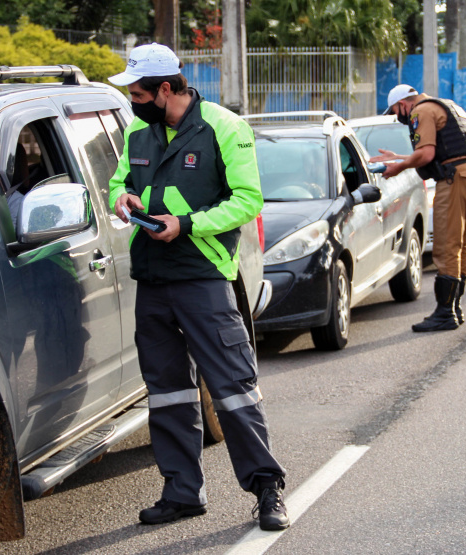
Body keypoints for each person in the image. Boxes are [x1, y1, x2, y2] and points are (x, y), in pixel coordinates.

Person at [107, 43, 289, 531]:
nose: (133, 99)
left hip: (203, 279)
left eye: (139, 91)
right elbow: (118, 181)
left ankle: (268, 488)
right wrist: (121, 197)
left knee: (233, 390)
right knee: (167, 393)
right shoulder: (137, 133)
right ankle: (183, 491)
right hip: (153, 280)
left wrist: (186, 225)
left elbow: (248, 201)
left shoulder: (225, 128)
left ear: (166, 89)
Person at [371, 84, 466, 332]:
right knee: (461, 245)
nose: (400, 117)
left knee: (445, 246)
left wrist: (398, 167)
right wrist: (399, 157)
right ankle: (455, 308)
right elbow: (442, 149)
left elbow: (426, 155)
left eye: (396, 111)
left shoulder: (419, 112)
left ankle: (445, 313)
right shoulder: (444, 104)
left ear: (403, 104)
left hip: (453, 180)